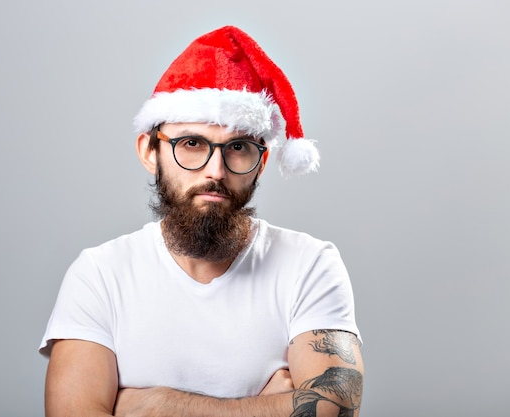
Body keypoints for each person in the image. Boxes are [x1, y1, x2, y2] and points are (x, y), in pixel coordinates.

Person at [39, 25, 364, 417]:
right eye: (191, 144)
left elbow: (334, 410)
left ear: (260, 162)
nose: (215, 171)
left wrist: (163, 407)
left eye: (238, 148)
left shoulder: (310, 264)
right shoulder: (100, 275)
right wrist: (267, 406)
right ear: (150, 151)